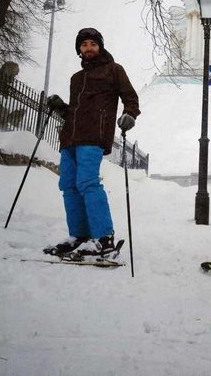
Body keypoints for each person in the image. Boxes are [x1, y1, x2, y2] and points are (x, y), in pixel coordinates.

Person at [44, 28, 140, 257]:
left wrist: (130, 115)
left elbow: (131, 98)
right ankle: (78, 235)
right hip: (70, 138)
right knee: (68, 185)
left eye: (92, 44)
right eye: (84, 44)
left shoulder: (114, 70)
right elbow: (76, 112)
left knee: (87, 183)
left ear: (100, 46)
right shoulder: (76, 79)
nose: (88, 48)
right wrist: (61, 109)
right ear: (79, 49)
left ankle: (103, 238)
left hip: (94, 136)